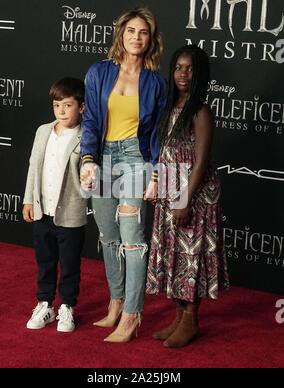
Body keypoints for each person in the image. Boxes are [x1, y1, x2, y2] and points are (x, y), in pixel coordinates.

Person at [80, 7, 166, 342]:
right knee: (109, 236)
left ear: (151, 39)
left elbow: (159, 133)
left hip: (136, 160)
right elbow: (89, 122)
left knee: (133, 240)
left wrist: (157, 175)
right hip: (103, 158)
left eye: (143, 32)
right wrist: (88, 159)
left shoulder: (156, 83)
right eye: (131, 30)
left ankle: (132, 314)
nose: (136, 37)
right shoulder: (99, 72)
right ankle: (115, 303)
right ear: (121, 34)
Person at [146, 45, 229, 348]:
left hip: (194, 196)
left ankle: (191, 319)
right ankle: (179, 317)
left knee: (191, 258)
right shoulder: (170, 106)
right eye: (179, 67)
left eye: (190, 68)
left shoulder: (200, 110)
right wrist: (159, 185)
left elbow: (201, 160)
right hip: (171, 191)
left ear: (200, 74)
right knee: (174, 256)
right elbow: (166, 154)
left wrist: (183, 200)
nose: (183, 74)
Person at [23, 77, 87, 332]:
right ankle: (45, 304)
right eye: (57, 105)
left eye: (67, 105)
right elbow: (33, 167)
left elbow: (89, 176)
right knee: (45, 261)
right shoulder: (43, 131)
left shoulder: (86, 136)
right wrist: (29, 199)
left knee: (70, 264)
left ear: (81, 107)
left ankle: (67, 307)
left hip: (70, 213)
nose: (61, 111)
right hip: (42, 211)